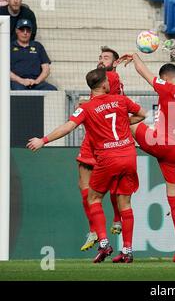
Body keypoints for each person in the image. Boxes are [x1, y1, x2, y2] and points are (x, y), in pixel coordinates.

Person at [27, 68, 147, 263]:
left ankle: (104, 244)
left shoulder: (86, 108)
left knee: (93, 198)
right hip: (128, 155)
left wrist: (43, 140)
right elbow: (143, 114)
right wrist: (123, 125)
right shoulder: (121, 100)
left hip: (108, 158)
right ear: (104, 84)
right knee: (125, 203)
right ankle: (127, 250)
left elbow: (68, 127)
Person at [117, 46, 175, 262]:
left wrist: (135, 56)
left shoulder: (166, 89)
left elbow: (143, 72)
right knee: (174, 198)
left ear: (166, 78)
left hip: (158, 142)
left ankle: (121, 151)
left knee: (125, 125)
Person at [79, 46, 128, 252]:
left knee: (102, 187)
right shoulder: (99, 81)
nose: (101, 59)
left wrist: (83, 104)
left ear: (115, 62)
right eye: (100, 57)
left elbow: (106, 104)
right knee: (86, 187)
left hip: (105, 142)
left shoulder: (111, 79)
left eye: (106, 57)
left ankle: (111, 223)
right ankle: (97, 229)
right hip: (93, 138)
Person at [10, 19, 57, 91]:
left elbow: (46, 69)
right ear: (17, 31)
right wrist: (22, 81)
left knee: (53, 90)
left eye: (28, 30)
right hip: (17, 82)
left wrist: (36, 81)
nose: (25, 33)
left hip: (36, 82)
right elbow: (4, 70)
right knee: (20, 92)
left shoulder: (38, 46)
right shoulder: (9, 46)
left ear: (31, 32)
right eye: (22, 30)